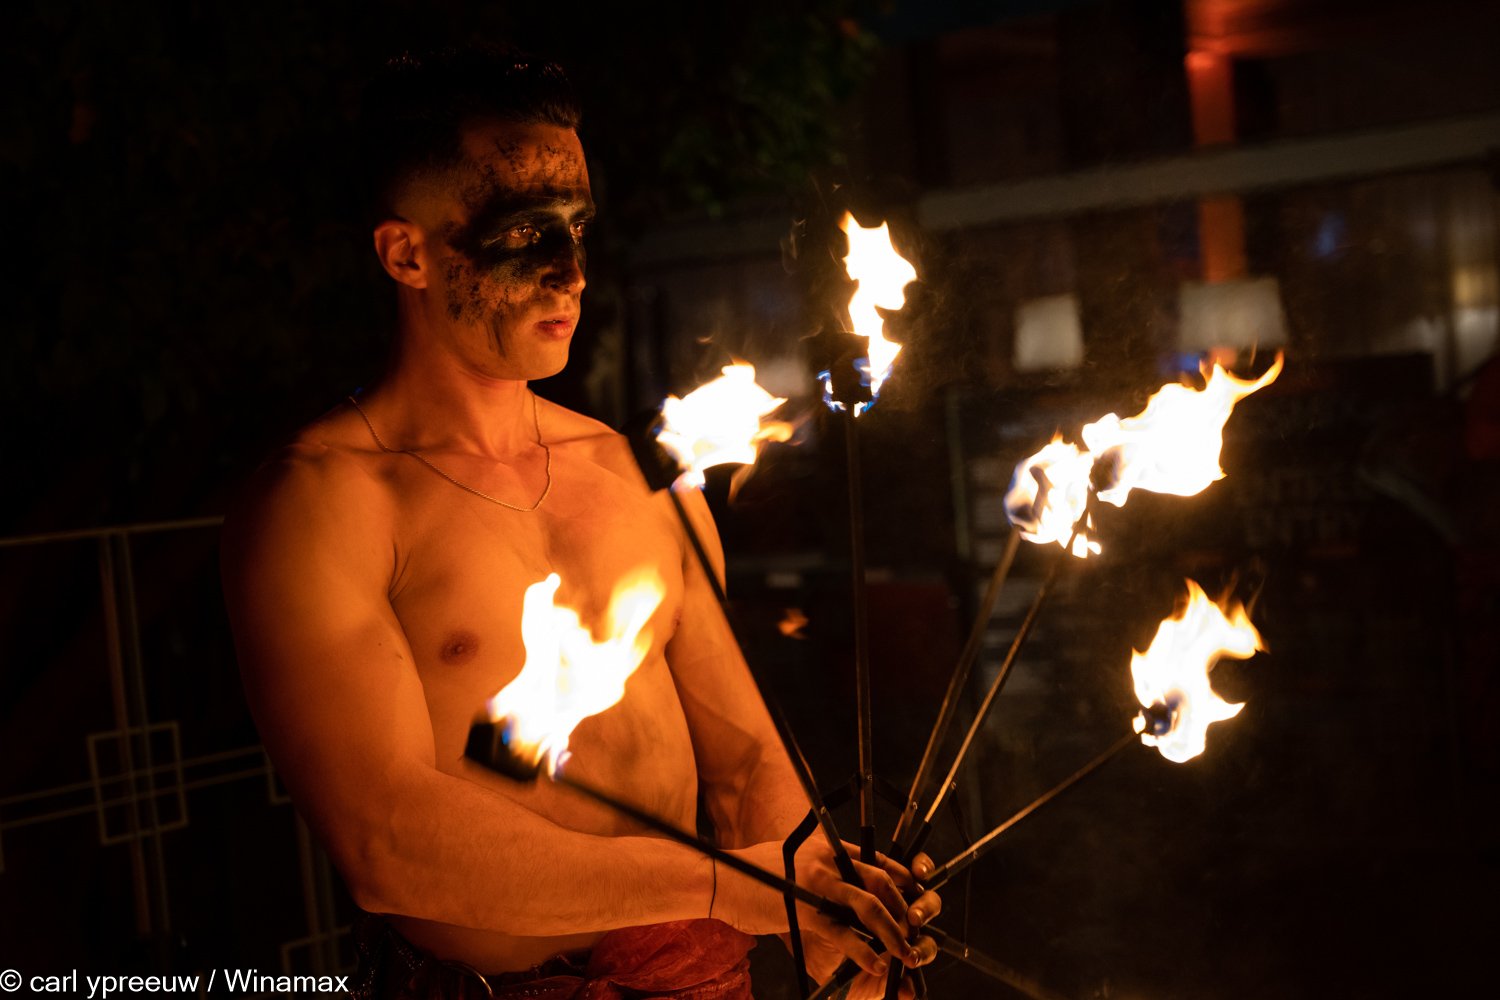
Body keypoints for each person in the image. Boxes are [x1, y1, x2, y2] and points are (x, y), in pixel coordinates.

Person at [221, 46, 939, 1000]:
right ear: (408, 254)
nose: (569, 274)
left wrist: (832, 914)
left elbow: (744, 761)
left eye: (577, 229)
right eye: (523, 234)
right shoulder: (323, 501)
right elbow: (386, 843)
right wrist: (739, 890)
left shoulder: (630, 473)